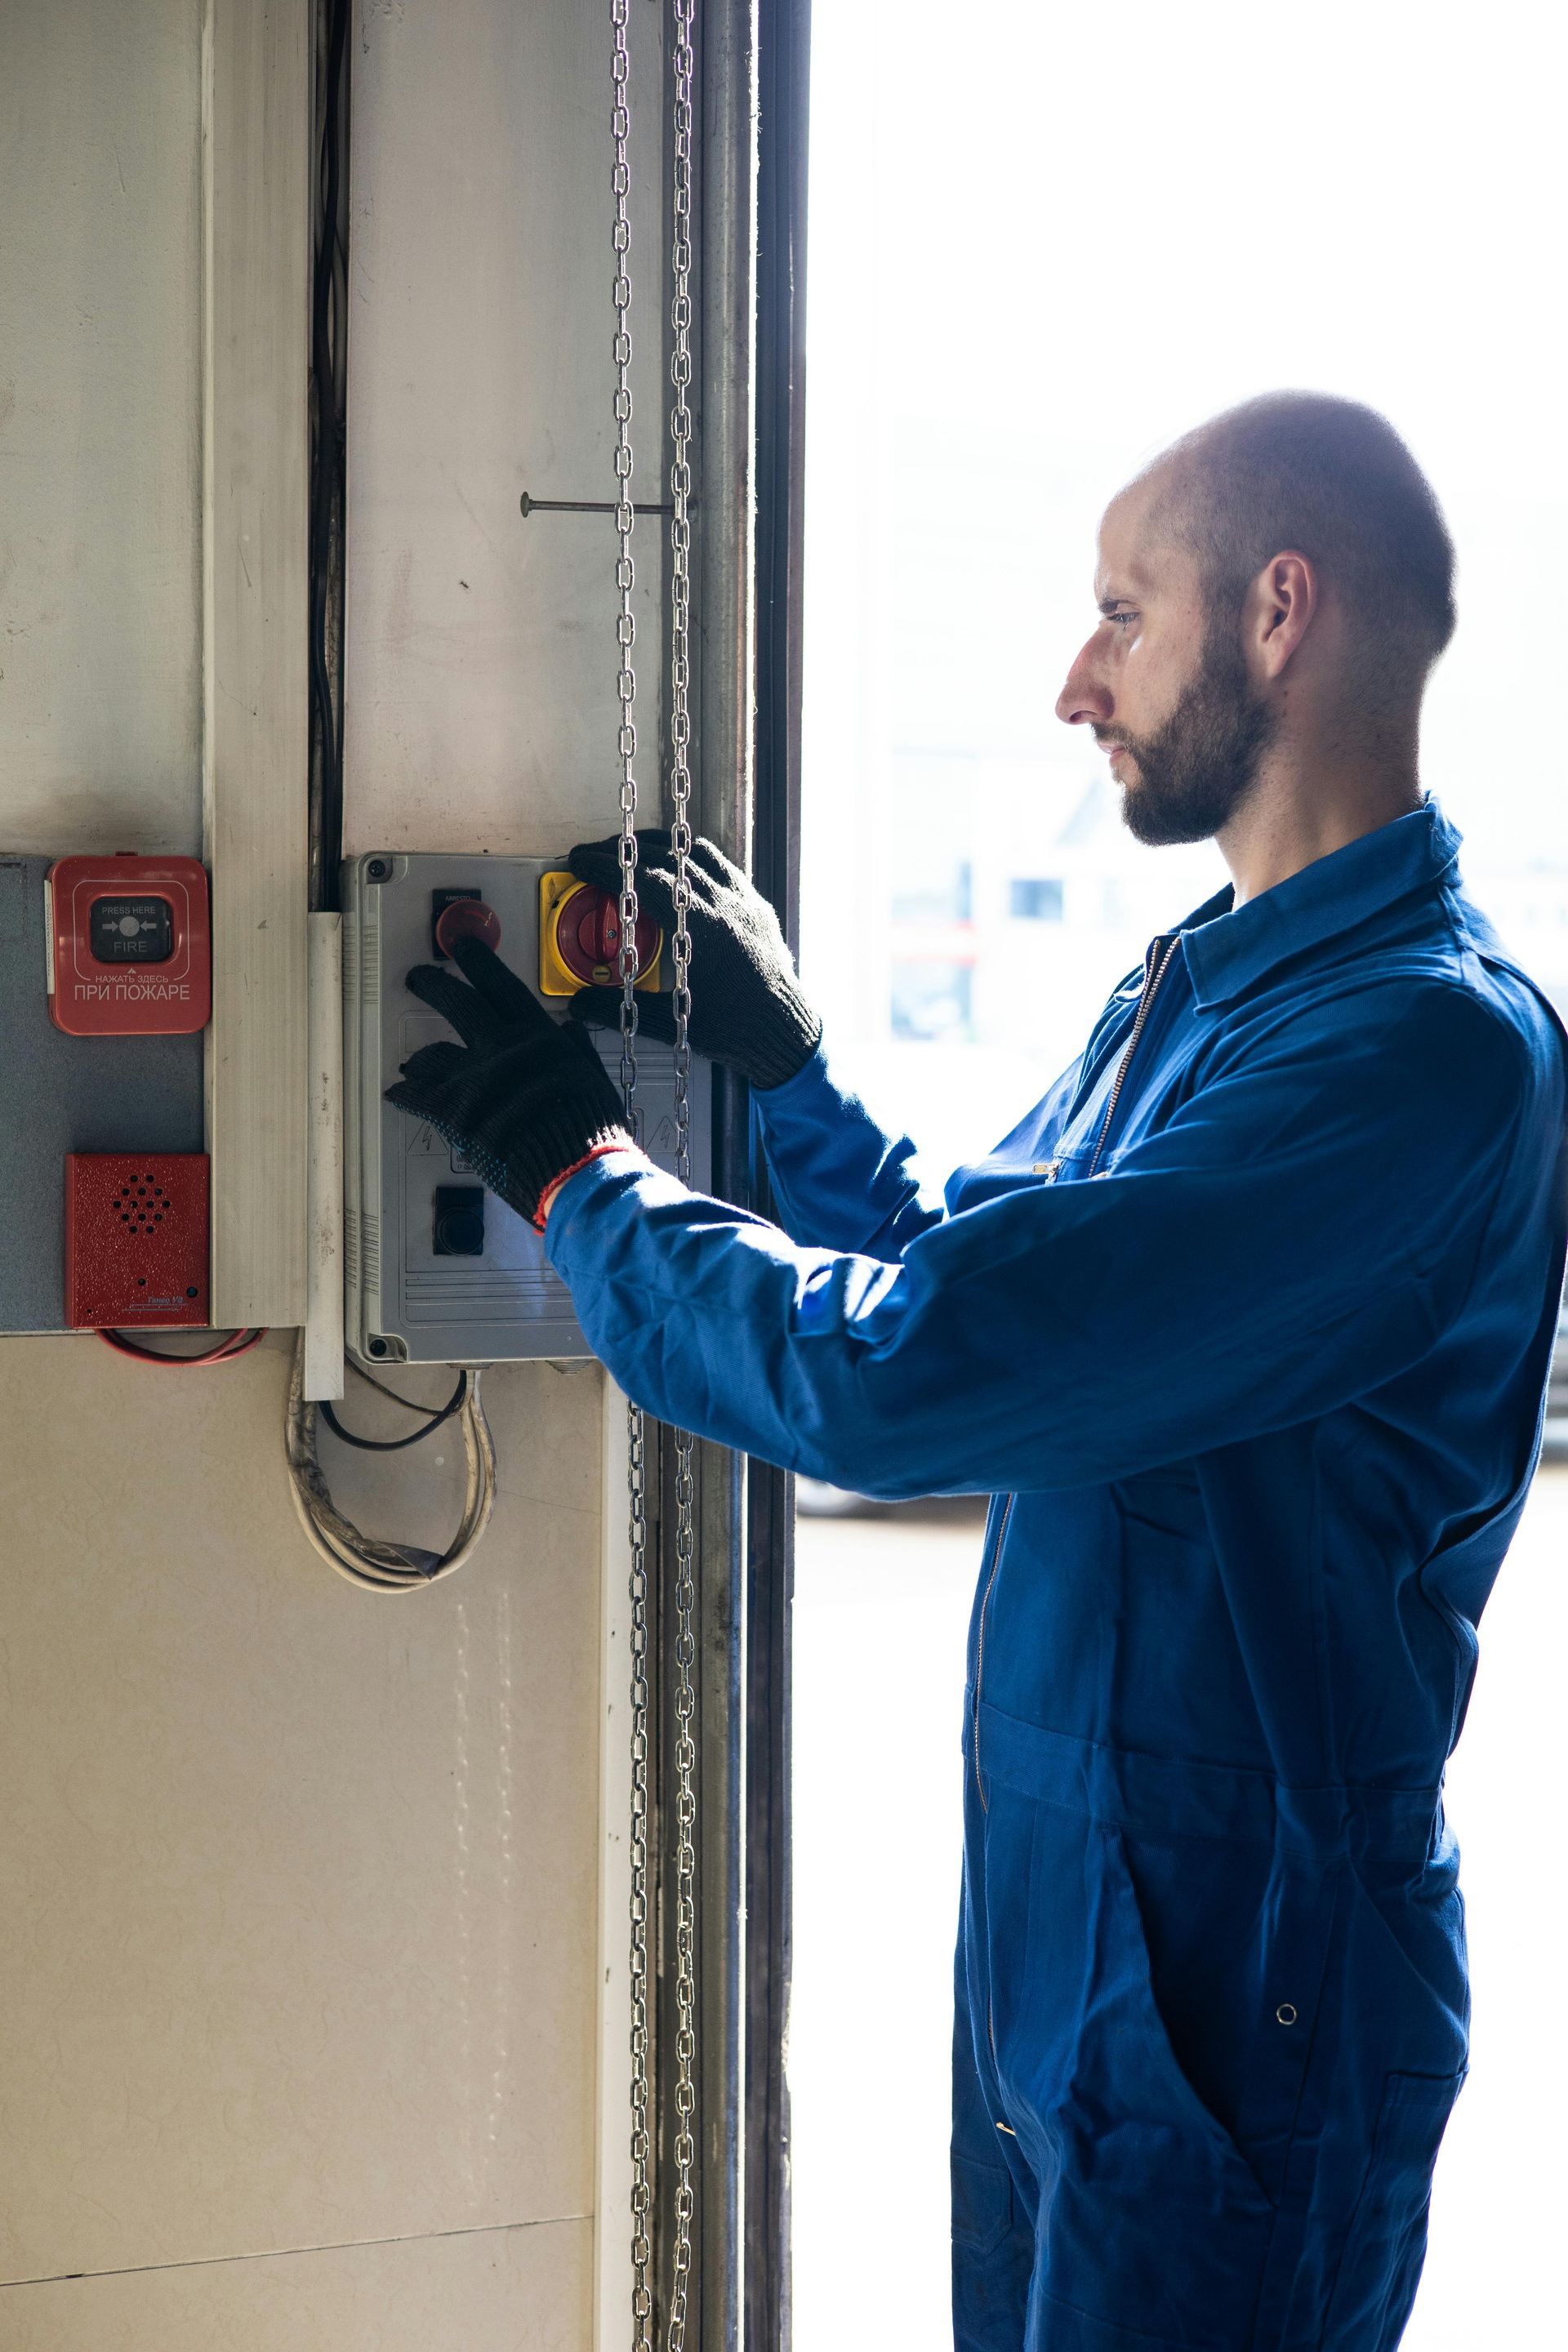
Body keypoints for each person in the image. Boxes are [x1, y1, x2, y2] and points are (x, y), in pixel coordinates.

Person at [389, 393, 1568, 2352]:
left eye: (1124, 613)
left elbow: (912, 1373)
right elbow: (989, 1263)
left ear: (1280, 612)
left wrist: (581, 1180)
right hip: (1074, 1923)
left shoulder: (1413, 1058)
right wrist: (789, 1075)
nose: (1073, 683)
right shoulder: (1211, 992)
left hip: (1245, 1970)